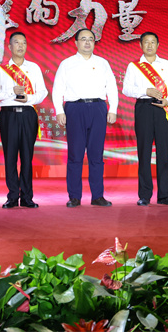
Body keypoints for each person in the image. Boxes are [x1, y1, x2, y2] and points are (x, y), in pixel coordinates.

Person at [53, 28, 118, 207]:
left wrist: (113, 108)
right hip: (75, 108)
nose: (87, 42)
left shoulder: (103, 63)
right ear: (76, 43)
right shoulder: (66, 64)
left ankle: (97, 196)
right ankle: (74, 196)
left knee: (96, 154)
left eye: (91, 39)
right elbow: (58, 88)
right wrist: (59, 110)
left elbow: (112, 87)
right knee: (75, 154)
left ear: (94, 42)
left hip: (98, 108)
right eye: (83, 39)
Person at [0, 31, 48, 209]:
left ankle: (27, 197)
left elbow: (42, 92)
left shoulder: (34, 68)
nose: (21, 46)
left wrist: (28, 98)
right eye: (17, 42)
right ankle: (12, 196)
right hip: (9, 115)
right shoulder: (1, 69)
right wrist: (11, 92)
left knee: (27, 156)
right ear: (9, 47)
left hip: (28, 114)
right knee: (10, 156)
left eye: (24, 43)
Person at [122, 32, 168, 206]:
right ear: (141, 45)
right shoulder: (134, 66)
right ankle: (145, 195)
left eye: (153, 42)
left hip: (163, 108)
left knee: (163, 152)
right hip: (144, 108)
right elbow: (126, 89)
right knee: (144, 152)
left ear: (158, 45)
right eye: (146, 42)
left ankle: (165, 195)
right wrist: (145, 91)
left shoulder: (167, 64)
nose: (149, 45)